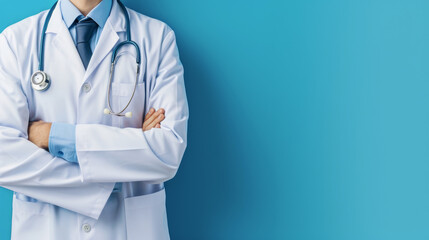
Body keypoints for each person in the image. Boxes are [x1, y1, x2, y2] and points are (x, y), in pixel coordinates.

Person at [0, 0, 188, 239]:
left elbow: (168, 151)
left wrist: (51, 136)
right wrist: (132, 150)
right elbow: (3, 157)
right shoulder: (15, 41)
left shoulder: (157, 37)